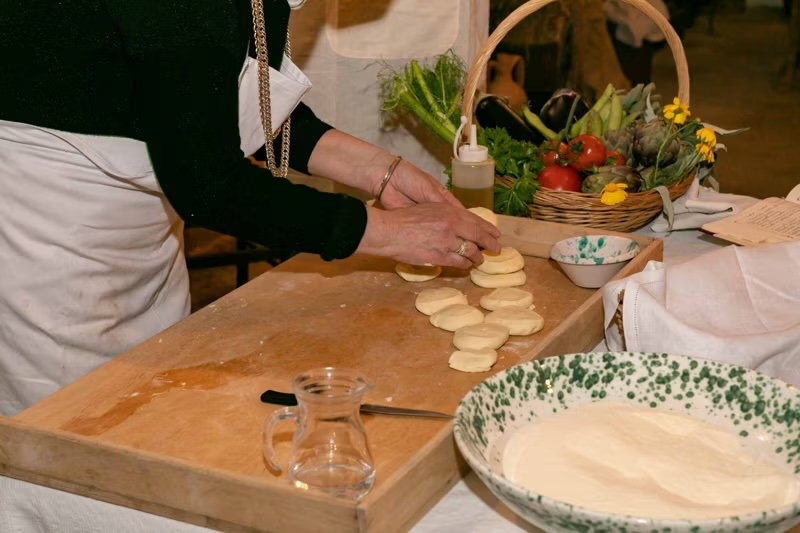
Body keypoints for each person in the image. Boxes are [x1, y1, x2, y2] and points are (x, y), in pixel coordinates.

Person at [0, 0, 500, 416]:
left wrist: (382, 172)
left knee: (149, 397)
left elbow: (222, 102)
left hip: (132, 212)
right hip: (50, 225)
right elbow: (208, 184)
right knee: (68, 427)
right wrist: (386, 232)